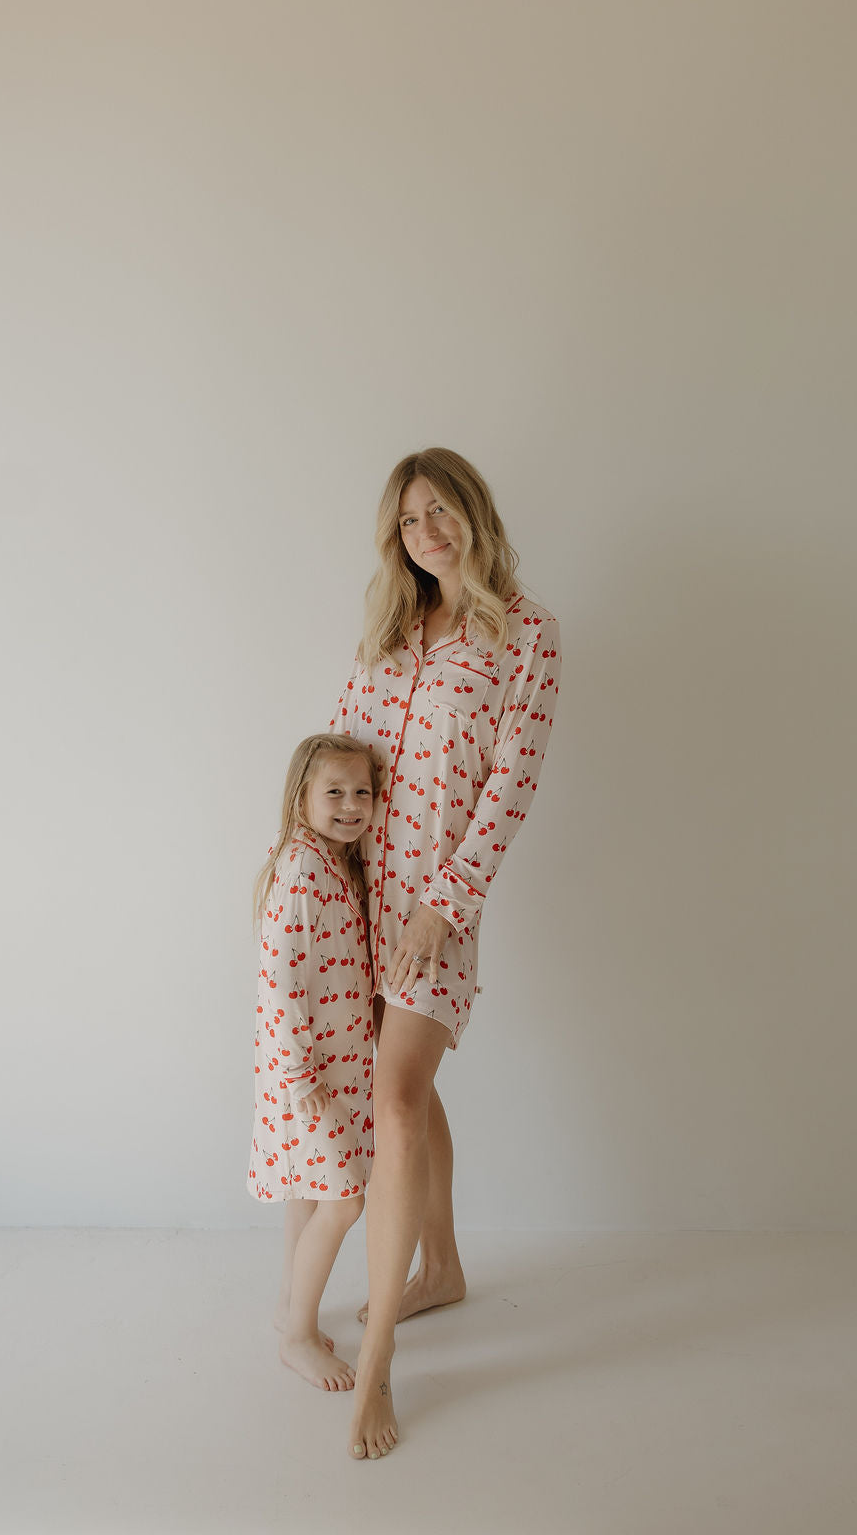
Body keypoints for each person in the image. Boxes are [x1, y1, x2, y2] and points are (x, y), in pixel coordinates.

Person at [330, 448, 560, 1459]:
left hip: (435, 909)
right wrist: (309, 868)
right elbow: (341, 753)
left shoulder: (526, 637)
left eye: (439, 510)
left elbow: (510, 791)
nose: (426, 530)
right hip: (356, 898)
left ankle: (375, 1362)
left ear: (471, 511)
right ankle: (444, 1268)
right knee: (409, 1093)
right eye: (407, 519)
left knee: (392, 1103)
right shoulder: (389, 634)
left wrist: (447, 903)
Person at [248, 733, 382, 1391]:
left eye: (362, 792)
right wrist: (302, 1080)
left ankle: (288, 1307)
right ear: (301, 799)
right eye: (334, 792)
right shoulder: (300, 872)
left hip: (332, 1068)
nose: (351, 805)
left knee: (309, 1190)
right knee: (344, 1199)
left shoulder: (332, 864)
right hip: (308, 1077)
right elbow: (280, 981)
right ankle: (299, 1336)